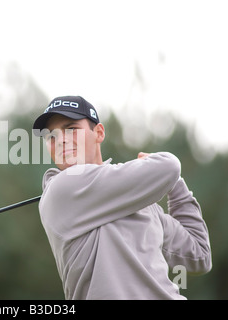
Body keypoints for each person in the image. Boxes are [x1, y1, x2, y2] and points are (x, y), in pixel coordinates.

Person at [33, 95, 212, 300]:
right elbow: (169, 165)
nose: (61, 139)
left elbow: (199, 255)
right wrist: (163, 174)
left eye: (71, 128)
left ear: (98, 133)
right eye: (51, 136)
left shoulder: (141, 202)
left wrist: (177, 185)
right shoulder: (61, 188)